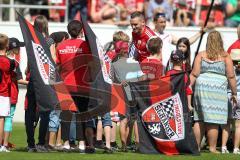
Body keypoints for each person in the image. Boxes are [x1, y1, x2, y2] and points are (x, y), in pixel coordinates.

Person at [190, 30, 237, 153]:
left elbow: (194, 73)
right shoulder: (225, 56)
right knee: (214, 120)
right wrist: (234, 93)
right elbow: (231, 76)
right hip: (218, 89)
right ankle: (212, 148)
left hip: (202, 87)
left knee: (199, 118)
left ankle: (197, 147)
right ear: (220, 41)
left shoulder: (201, 55)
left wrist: (188, 88)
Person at [56, 20, 95, 153]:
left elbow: (58, 66)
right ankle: (82, 143)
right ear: (81, 31)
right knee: (81, 114)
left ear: (68, 31)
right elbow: (91, 63)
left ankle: (66, 143)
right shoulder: (85, 45)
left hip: (66, 85)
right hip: (82, 85)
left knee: (66, 114)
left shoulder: (60, 46)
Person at [109, 31, 146, 151]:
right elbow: (142, 78)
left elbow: (112, 80)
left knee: (123, 120)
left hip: (122, 95)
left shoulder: (114, 64)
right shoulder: (134, 62)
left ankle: (124, 145)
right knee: (133, 120)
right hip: (134, 95)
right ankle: (134, 143)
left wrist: (121, 82)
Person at [25, 15, 51, 152]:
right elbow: (53, 62)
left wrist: (28, 69)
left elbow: (29, 63)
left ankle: (30, 144)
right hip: (45, 81)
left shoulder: (31, 40)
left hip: (33, 79)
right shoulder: (48, 41)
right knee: (45, 112)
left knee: (30, 112)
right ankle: (41, 143)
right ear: (45, 25)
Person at [3, 38, 27, 151]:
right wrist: (32, 83)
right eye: (18, 47)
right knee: (8, 118)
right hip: (11, 94)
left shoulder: (3, 59)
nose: (20, 49)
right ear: (14, 48)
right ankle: (5, 144)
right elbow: (20, 79)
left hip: (3, 92)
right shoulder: (14, 63)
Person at [0, 34, 17, 152]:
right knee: (2, 119)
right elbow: (15, 76)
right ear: (7, 45)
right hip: (4, 93)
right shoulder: (11, 62)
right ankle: (1, 145)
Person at [226, 24, 240, 154]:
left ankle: (226, 146)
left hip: (232, 92)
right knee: (237, 123)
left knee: (229, 122)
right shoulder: (234, 46)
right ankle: (235, 147)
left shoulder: (232, 47)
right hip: (235, 92)